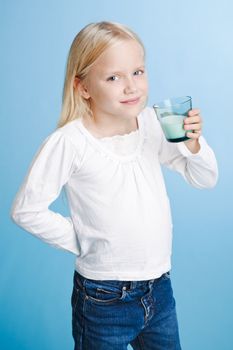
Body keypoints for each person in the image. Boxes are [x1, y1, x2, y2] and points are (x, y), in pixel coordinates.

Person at [10, 21, 218, 350]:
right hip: (103, 298)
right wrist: (82, 239)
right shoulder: (70, 142)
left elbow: (204, 179)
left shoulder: (151, 123)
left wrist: (193, 145)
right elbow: (26, 210)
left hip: (159, 289)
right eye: (113, 77)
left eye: (138, 72)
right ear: (83, 88)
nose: (131, 87)